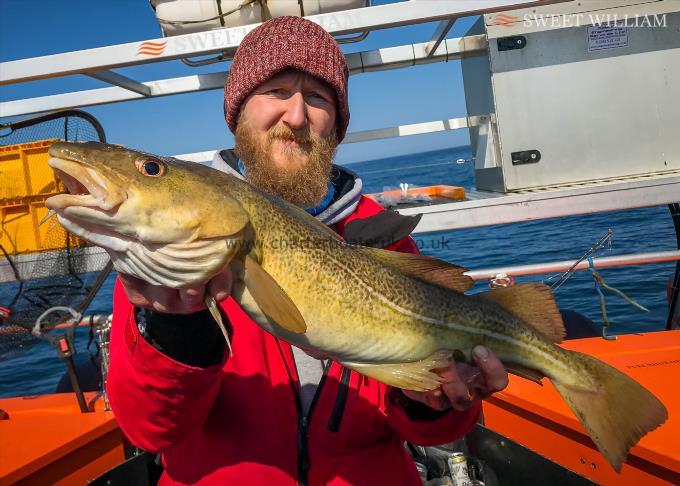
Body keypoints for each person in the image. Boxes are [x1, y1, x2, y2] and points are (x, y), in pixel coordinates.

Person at [107, 16, 509, 485]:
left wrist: (435, 405)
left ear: (337, 124)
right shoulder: (170, 246)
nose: (296, 116)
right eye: (276, 91)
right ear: (237, 113)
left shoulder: (383, 235)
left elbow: (424, 418)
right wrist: (175, 333)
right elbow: (151, 430)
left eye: (317, 98)